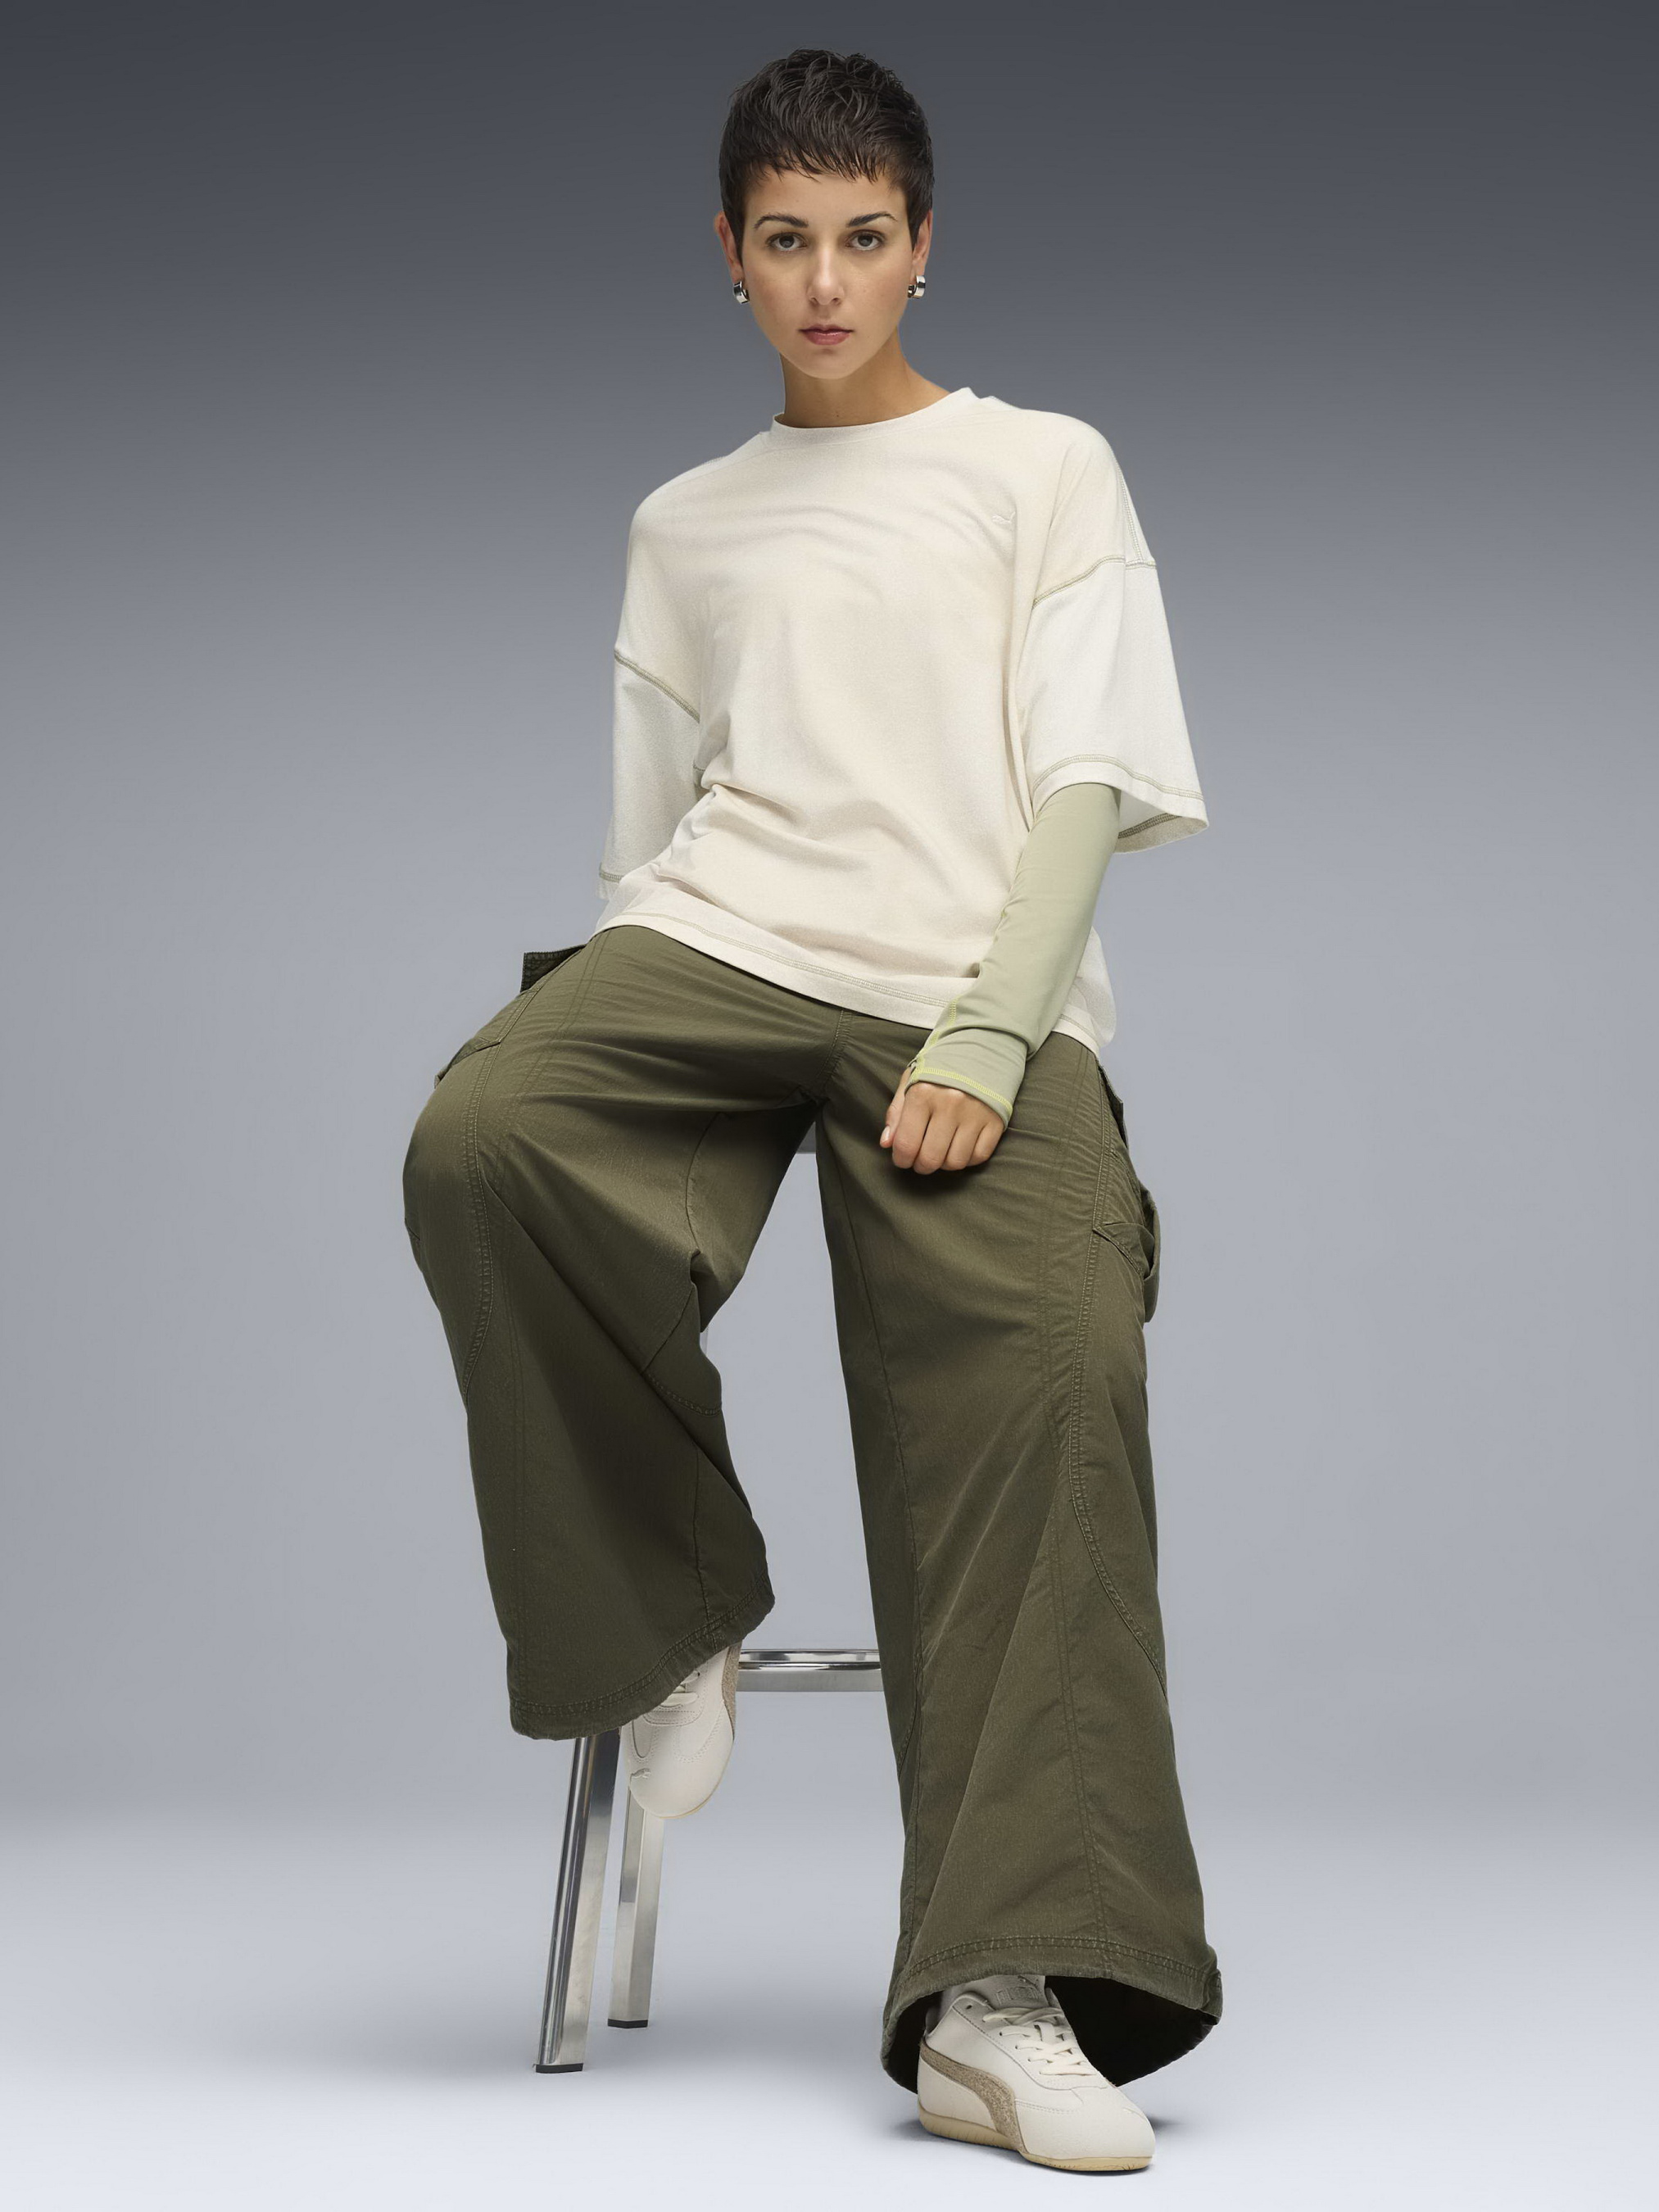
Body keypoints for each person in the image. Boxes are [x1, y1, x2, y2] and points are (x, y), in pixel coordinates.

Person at [402, 45, 1222, 2174]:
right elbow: (641, 835)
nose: (828, 281)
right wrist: (623, 1026)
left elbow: (1087, 776)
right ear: (730, 254)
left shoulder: (1039, 465)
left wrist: (989, 1036)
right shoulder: (683, 522)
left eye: (865, 237)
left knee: (1050, 1356)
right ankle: (662, 1611)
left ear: (924, 243)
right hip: (719, 940)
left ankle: (998, 2001)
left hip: (963, 983)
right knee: (487, 1138)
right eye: (788, 241)